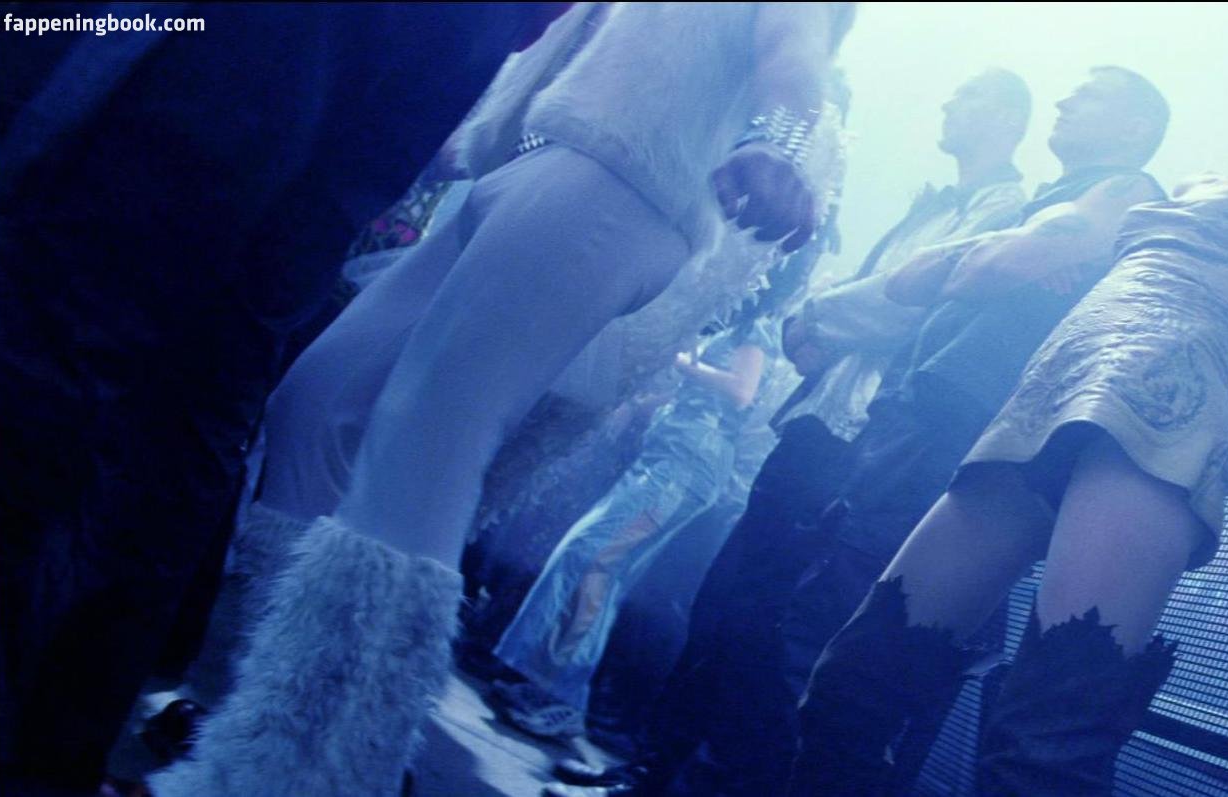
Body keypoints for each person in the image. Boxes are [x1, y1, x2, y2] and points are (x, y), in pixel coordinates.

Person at [151, 5, 854, 796]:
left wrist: (778, 141)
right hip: (540, 165)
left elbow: (796, 51)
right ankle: (254, 712)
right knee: (318, 401)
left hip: (619, 185)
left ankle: (325, 767)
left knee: (422, 448)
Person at [788, 44, 1228, 796]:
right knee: (849, 685)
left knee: (1045, 745)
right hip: (1040, 409)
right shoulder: (1197, 185)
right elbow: (1014, 262)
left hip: (1159, 435)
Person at [0, 5, 563, 794]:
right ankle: (54, 751)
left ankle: (46, 742)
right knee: (184, 420)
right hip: (431, 62)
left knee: (64, 340)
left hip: (292, 49)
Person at [547, 68, 1047, 797]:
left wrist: (818, 319)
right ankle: (652, 772)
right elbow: (884, 296)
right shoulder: (938, 202)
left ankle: (693, 782)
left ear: (1005, 116)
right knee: (728, 602)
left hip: (864, 441)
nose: (947, 101)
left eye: (967, 95)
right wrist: (820, 328)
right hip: (820, 422)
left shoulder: (1006, 205)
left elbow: (916, 301)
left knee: (775, 628)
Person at [492, 255, 808, 739]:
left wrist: (684, 364)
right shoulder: (739, 326)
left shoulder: (757, 329)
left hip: (684, 467)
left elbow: (742, 392)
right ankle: (544, 682)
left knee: (596, 560)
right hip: (673, 461)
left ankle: (562, 696)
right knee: (596, 561)